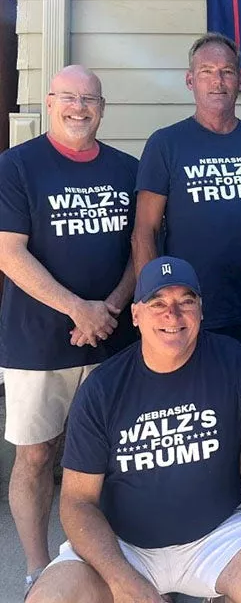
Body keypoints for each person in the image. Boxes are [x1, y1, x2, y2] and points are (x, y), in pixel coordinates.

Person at [25, 255, 241, 603]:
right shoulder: (103, 388)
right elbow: (77, 503)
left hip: (216, 535)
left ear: (201, 310)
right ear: (135, 315)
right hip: (123, 545)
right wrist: (123, 580)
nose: (173, 315)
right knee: (50, 599)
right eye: (158, 303)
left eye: (186, 302)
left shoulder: (234, 361)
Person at [131, 32, 241, 515]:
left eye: (226, 71)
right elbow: (144, 232)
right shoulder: (167, 144)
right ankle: (191, 520)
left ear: (240, 80)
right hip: (185, 316)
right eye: (207, 72)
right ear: (190, 81)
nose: (218, 80)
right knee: (191, 425)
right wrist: (148, 307)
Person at [0, 65, 138, 599]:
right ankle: (38, 570)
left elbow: (138, 249)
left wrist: (107, 309)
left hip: (113, 338)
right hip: (36, 341)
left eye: (90, 100)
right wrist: (78, 309)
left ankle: (108, 565)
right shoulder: (16, 166)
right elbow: (9, 253)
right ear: (51, 101)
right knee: (36, 456)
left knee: (113, 458)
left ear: (102, 108)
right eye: (68, 98)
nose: (78, 108)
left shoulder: (126, 169)